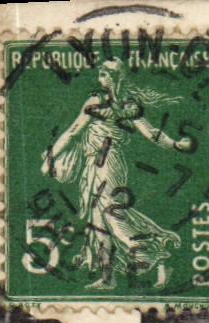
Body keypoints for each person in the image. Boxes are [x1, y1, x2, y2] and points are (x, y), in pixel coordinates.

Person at [41, 58, 194, 289]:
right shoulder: (101, 101)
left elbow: (150, 132)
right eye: (100, 71)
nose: (100, 75)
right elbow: (73, 131)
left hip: (108, 163)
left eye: (105, 72)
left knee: (112, 215)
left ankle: (158, 254)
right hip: (93, 165)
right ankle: (107, 276)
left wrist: (175, 144)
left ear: (115, 77)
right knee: (97, 221)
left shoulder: (125, 105)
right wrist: (52, 155)